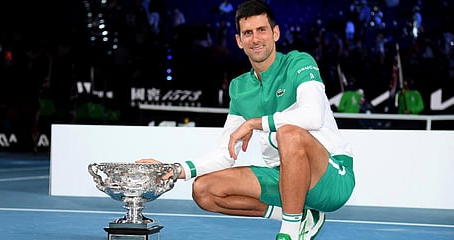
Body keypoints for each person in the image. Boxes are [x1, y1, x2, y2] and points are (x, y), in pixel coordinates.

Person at [137, 1, 355, 239]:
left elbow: (312, 116)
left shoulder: (299, 63)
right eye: (248, 33)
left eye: (262, 30)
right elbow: (226, 153)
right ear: (239, 41)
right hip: (283, 178)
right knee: (204, 190)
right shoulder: (239, 88)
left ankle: (290, 232)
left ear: (276, 33)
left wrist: (255, 122)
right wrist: (175, 169)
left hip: (331, 176)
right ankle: (297, 215)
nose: (255, 39)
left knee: (288, 133)